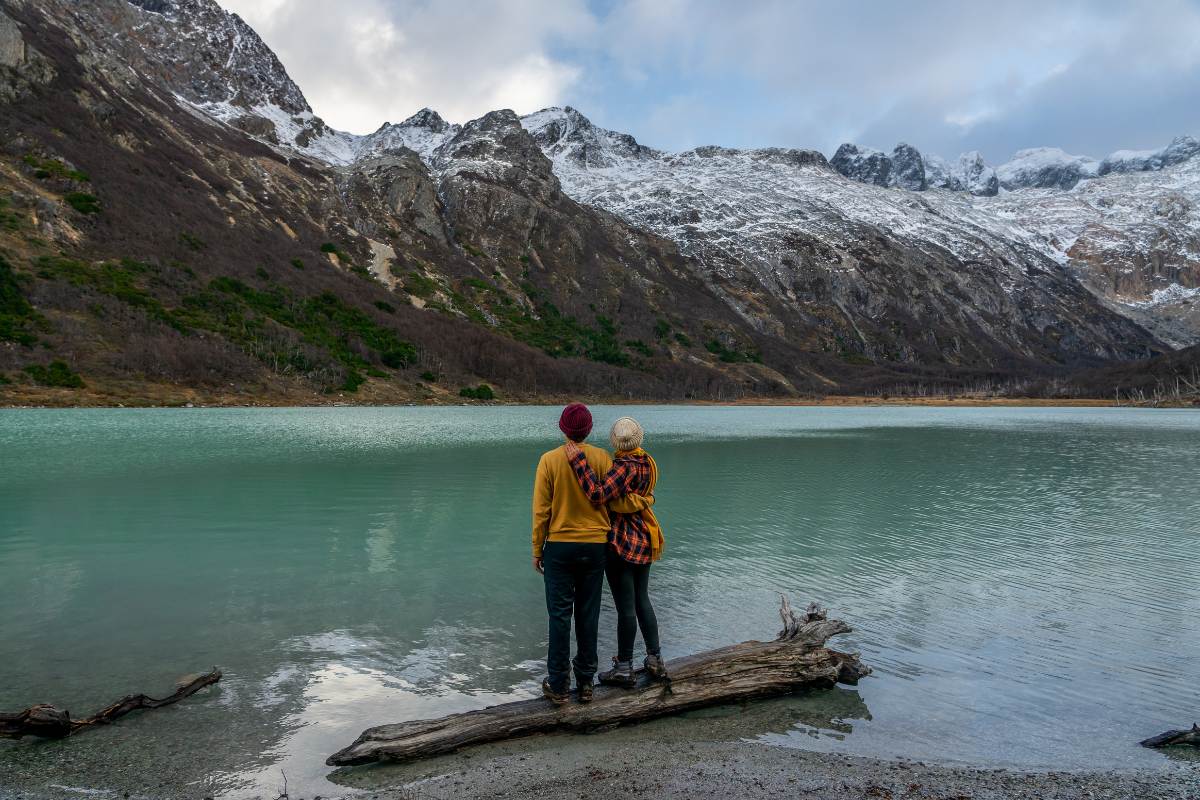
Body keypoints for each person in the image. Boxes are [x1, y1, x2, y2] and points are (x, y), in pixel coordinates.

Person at [531, 404, 650, 705]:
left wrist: (537, 549)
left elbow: (541, 511)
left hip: (559, 547)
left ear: (562, 429)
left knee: (559, 616)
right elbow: (611, 499)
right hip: (596, 546)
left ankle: (558, 685)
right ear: (589, 428)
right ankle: (585, 683)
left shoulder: (548, 460)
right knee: (588, 614)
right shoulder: (603, 458)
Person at [564, 416, 666, 688]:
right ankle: (655, 658)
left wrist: (579, 463)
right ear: (639, 438)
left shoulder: (623, 466)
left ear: (615, 441)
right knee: (643, 598)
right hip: (645, 535)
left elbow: (597, 494)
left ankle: (623, 667)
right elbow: (645, 495)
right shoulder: (647, 461)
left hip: (623, 541)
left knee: (625, 607)